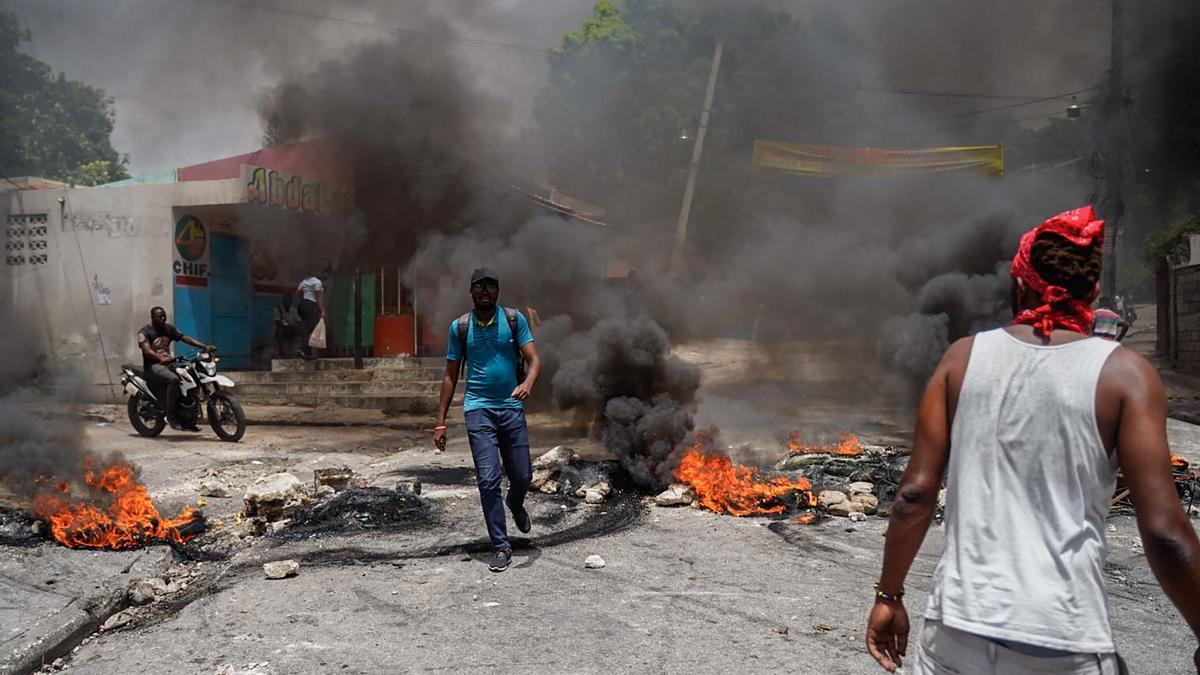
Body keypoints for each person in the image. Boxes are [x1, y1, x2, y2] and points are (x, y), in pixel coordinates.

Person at [866, 206, 1200, 674]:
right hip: (1062, 638)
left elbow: (914, 495)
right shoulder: (1125, 375)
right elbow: (1165, 532)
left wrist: (889, 594)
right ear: (1094, 291)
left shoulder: (961, 360)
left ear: (1018, 283)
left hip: (956, 632)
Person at [433, 268, 541, 573]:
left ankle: (515, 503)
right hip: (478, 410)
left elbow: (534, 360)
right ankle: (501, 545)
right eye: (479, 286)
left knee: (522, 476)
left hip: (511, 409)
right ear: (471, 292)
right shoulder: (461, 327)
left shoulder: (513, 320)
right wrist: (440, 422)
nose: (485, 291)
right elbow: (450, 375)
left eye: (491, 286)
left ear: (497, 291)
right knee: (488, 479)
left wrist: (528, 384)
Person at [137, 306, 212, 431]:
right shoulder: (144, 332)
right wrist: (159, 358)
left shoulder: (168, 329)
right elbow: (146, 350)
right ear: (152, 317)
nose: (163, 319)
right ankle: (170, 416)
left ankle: (189, 417)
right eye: (159, 317)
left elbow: (185, 338)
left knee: (191, 376)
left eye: (164, 316)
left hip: (170, 363)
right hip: (154, 366)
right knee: (174, 380)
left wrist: (204, 346)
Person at [294, 265, 328, 359]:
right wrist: (322, 310)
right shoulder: (317, 282)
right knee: (311, 328)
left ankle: (307, 351)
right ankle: (303, 349)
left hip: (303, 305)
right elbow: (319, 297)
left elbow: (297, 293)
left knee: (306, 327)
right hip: (311, 305)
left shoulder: (304, 281)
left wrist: (305, 298)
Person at [273, 293, 302, 358]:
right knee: (280, 331)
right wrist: (285, 324)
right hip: (283, 328)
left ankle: (298, 351)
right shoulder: (278, 309)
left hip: (292, 328)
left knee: (299, 329)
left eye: (289, 301)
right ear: (283, 301)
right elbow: (277, 321)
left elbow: (299, 321)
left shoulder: (293, 310)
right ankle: (281, 351)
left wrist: (292, 325)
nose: (287, 302)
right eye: (286, 301)